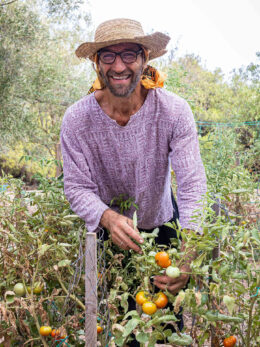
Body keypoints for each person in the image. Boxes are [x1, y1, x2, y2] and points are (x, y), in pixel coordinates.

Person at [60, 18, 207, 345]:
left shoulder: (173, 112)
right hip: (108, 233)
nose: (119, 65)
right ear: (96, 64)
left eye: (129, 54)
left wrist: (189, 252)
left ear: (144, 59)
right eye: (108, 56)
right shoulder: (77, 120)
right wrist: (108, 218)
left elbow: (192, 184)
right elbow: (77, 187)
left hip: (164, 228)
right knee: (119, 325)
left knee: (168, 324)